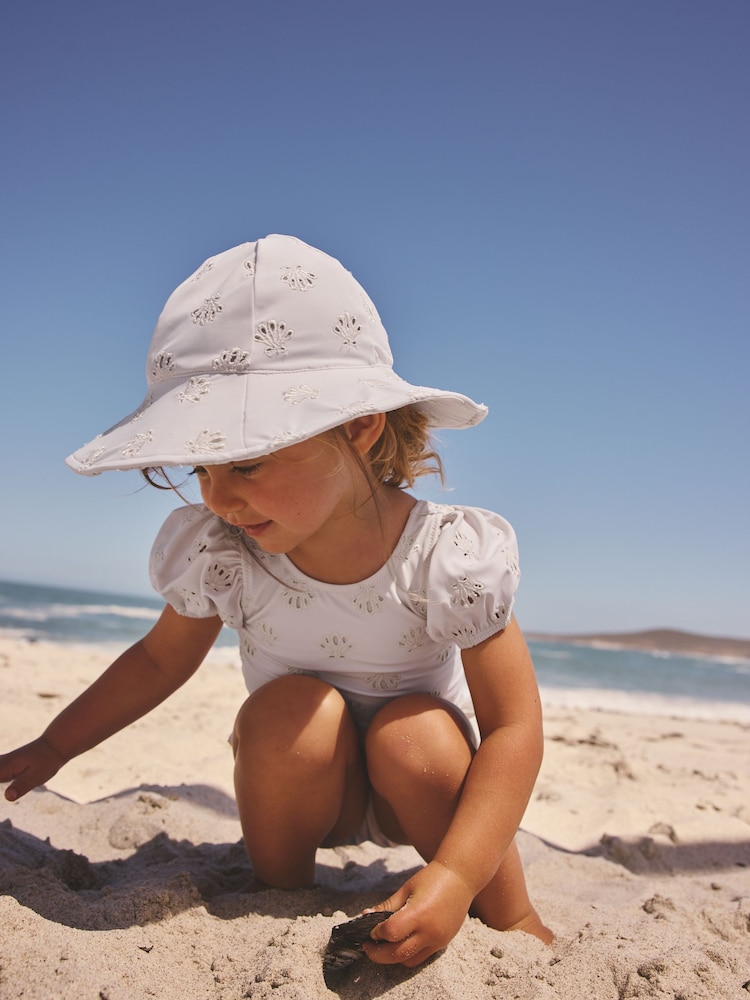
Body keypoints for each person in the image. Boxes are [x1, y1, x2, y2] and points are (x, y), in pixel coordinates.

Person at [0, 234, 552, 965]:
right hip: (298, 791)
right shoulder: (225, 554)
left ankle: (514, 919)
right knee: (290, 710)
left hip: (421, 788)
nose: (217, 498)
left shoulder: (444, 555)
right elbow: (159, 661)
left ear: (359, 427)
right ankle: (282, 897)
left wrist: (453, 873)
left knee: (412, 732)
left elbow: (513, 727)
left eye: (247, 464)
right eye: (201, 469)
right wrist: (57, 743)